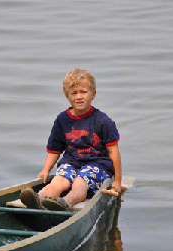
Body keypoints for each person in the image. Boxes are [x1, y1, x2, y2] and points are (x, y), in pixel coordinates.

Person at [20, 68, 122, 211]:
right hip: (72, 162)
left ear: (93, 94)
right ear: (67, 97)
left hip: (97, 164)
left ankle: (66, 202)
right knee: (58, 181)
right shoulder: (62, 120)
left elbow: (114, 152)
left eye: (83, 92)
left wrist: (117, 181)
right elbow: (55, 149)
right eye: (74, 93)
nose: (79, 97)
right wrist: (45, 170)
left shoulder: (103, 121)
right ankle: (37, 199)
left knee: (80, 183)